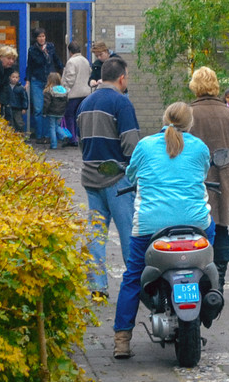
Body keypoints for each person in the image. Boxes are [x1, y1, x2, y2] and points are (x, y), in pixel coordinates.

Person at [114, 102, 214, 359]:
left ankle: (122, 339)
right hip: (195, 225)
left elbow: (132, 176)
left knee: (134, 275)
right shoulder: (200, 147)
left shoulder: (145, 145)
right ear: (190, 124)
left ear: (164, 118)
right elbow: (201, 175)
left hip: (150, 227)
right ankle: (211, 294)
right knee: (210, 260)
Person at [77, 57, 141, 301]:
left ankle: (97, 288)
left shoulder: (85, 104)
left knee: (96, 235)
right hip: (117, 179)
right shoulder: (121, 103)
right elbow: (131, 143)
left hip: (90, 177)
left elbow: (81, 142)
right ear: (122, 78)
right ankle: (136, 286)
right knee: (129, 235)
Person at [188, 66, 229, 290]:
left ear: (195, 86)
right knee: (221, 227)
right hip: (223, 177)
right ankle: (219, 281)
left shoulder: (188, 114)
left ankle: (195, 278)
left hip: (195, 179)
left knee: (193, 228)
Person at [26, 28, 63, 143]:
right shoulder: (32, 50)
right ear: (36, 38)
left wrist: (63, 71)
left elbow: (56, 60)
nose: (42, 39)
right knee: (38, 109)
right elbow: (30, 66)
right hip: (37, 80)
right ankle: (39, 135)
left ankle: (48, 135)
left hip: (49, 81)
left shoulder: (50, 47)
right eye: (39, 37)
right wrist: (27, 80)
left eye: (43, 36)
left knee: (49, 108)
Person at [61, 41, 91, 147]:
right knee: (81, 117)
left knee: (69, 115)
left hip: (74, 94)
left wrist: (65, 89)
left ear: (70, 51)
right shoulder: (85, 61)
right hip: (86, 93)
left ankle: (72, 138)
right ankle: (82, 137)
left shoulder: (71, 62)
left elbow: (70, 78)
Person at [42, 72, 68, 150]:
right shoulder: (63, 90)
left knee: (52, 127)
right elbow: (66, 101)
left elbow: (47, 102)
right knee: (57, 126)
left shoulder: (49, 90)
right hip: (61, 112)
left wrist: (44, 112)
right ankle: (64, 135)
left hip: (52, 112)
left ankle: (54, 144)